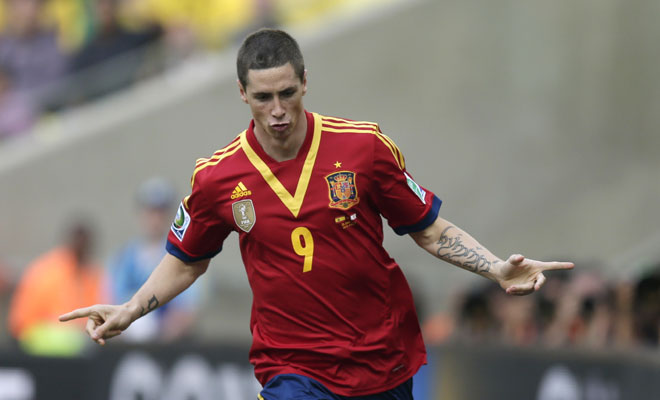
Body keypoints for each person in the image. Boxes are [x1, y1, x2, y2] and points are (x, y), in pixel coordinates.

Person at [60, 29, 574, 399]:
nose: (277, 110)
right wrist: (131, 309)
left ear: (306, 81)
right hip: (292, 366)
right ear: (242, 94)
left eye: (287, 93)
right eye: (263, 97)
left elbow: (430, 230)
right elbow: (186, 260)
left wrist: (496, 268)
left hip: (380, 359)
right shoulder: (217, 178)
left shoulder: (363, 148)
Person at [107, 177, 201, 342]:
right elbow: (112, 300)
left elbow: (188, 307)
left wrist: (161, 336)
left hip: (169, 343)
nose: (155, 218)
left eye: (160, 212)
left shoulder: (183, 256)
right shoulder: (124, 258)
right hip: (128, 341)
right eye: (150, 211)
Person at [9, 219, 106, 356]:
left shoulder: (92, 273)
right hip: (34, 331)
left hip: (74, 334)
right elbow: (24, 319)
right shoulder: (49, 270)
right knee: (75, 341)